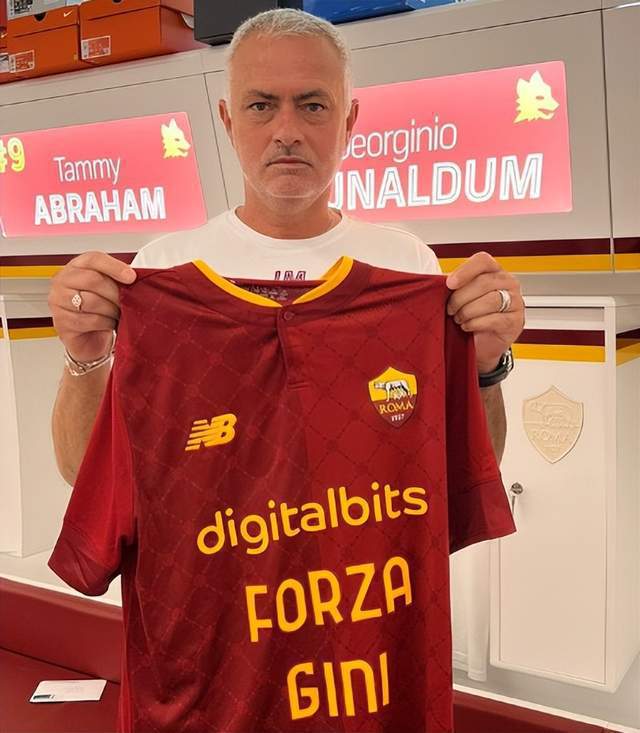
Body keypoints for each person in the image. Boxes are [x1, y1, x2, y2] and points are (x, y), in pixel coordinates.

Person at [48, 8, 524, 487]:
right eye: (261, 105)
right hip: (217, 536)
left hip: (364, 533)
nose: (287, 131)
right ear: (228, 121)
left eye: (313, 105)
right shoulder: (164, 269)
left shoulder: (407, 265)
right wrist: (85, 358)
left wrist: (484, 367)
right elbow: (84, 474)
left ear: (349, 121)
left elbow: (470, 472)